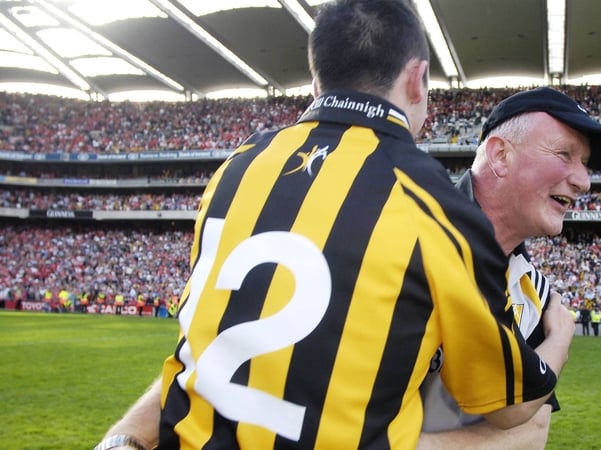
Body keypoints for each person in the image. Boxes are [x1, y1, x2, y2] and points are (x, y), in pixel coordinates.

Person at [93, 2, 573, 449]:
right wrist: (560, 337)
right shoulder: (434, 203)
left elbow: (200, 343)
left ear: (317, 82)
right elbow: (512, 408)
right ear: (417, 79)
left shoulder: (239, 166)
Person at [420, 86, 601, 448]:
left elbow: (532, 431)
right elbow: (348, 427)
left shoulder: (533, 289)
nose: (584, 181)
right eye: (565, 154)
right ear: (500, 156)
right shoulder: (405, 240)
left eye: (586, 164)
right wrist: (560, 338)